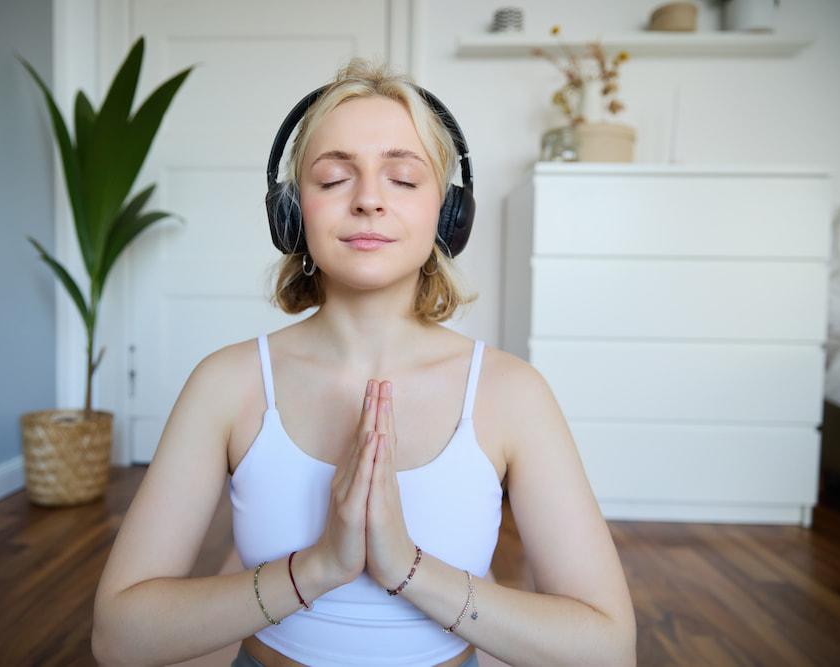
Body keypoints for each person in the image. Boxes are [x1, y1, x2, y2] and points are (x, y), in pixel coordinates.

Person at [92, 59, 636, 667]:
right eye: (333, 180)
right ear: (292, 213)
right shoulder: (225, 385)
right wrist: (318, 568)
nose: (370, 200)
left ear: (447, 217)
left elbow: (607, 649)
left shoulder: (514, 394)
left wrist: (406, 568)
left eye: (403, 179)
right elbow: (119, 637)